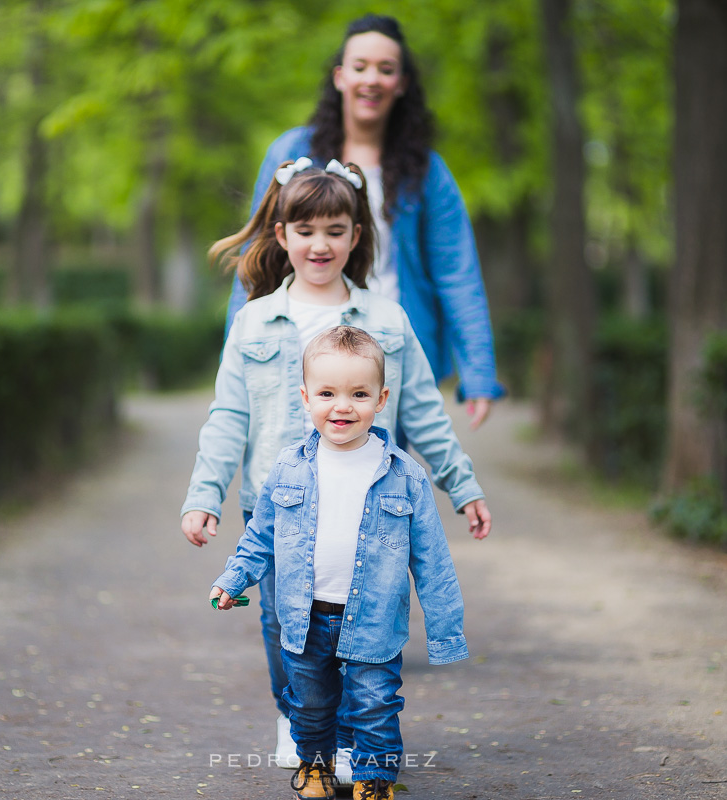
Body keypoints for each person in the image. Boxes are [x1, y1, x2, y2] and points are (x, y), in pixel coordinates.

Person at [181, 159, 489, 784]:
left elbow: (425, 411)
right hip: (278, 504)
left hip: (372, 509)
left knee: (365, 624)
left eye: (335, 229)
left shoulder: (388, 321)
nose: (320, 244)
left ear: (356, 236)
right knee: (283, 627)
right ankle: (298, 716)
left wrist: (463, 485)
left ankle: (351, 740)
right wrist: (205, 494)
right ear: (281, 235)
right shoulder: (254, 321)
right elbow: (227, 415)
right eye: (305, 229)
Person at [210, 326, 469, 800]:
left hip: (374, 618)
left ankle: (374, 781)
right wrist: (234, 578)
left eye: (359, 393)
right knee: (308, 706)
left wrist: (445, 631)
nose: (342, 406)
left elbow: (433, 560)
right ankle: (316, 767)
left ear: (381, 398)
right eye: (327, 393)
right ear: (306, 398)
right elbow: (261, 535)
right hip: (304, 616)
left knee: (375, 705)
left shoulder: (404, 476)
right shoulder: (289, 467)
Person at [227, 13, 505, 433]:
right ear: (340, 76)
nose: (371, 79)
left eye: (386, 69)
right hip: (299, 346)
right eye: (360, 67)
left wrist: (479, 373)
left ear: (402, 83)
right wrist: (234, 360)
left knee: (380, 482)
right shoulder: (291, 152)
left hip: (389, 351)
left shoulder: (427, 171)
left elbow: (457, 272)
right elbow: (258, 257)